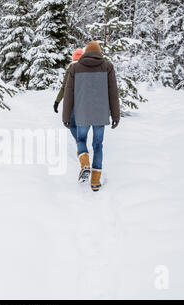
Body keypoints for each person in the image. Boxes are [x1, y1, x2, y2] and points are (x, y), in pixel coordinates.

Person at [62, 40, 120, 192]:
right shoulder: (108, 67)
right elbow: (113, 93)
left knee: (81, 139)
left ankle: (85, 162)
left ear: (86, 52)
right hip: (100, 115)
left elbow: (68, 94)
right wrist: (116, 115)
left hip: (82, 113)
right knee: (98, 145)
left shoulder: (75, 68)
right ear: (99, 52)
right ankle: (95, 181)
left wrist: (66, 116)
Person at [54, 48, 84, 140]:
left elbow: (64, 87)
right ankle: (81, 142)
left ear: (73, 58)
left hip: (73, 101)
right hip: (85, 101)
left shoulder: (71, 68)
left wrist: (57, 101)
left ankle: (80, 142)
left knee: (71, 123)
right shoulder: (88, 69)